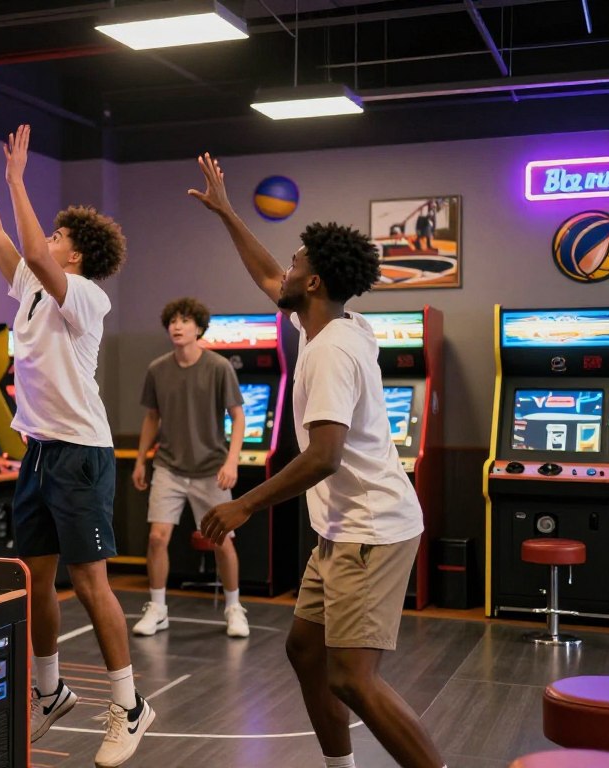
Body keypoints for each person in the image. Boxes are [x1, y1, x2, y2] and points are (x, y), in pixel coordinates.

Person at [187, 153, 446, 768]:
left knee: (353, 679)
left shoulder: (331, 351)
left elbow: (326, 456)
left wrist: (243, 504)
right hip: (341, 530)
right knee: (306, 651)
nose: (286, 269)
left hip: (371, 531)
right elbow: (266, 273)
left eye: (298, 263)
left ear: (313, 286)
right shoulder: (328, 323)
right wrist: (227, 213)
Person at [0, 118, 153, 767]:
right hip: (40, 452)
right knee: (36, 581)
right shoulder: (33, 289)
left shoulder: (84, 296)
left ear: (76, 254)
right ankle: (51, 692)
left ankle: (130, 706)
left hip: (81, 455)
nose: (49, 240)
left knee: (91, 584)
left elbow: (30, 247)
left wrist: (16, 177)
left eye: (59, 236)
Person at [131, 297, 248, 639]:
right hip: (168, 466)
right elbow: (152, 417)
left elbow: (238, 416)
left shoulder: (218, 367)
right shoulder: (157, 369)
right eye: (172, 321)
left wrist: (231, 461)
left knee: (221, 541)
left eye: (184, 321)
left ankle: (233, 607)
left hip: (211, 468)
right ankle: (157, 608)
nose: (177, 326)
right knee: (156, 538)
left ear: (199, 328)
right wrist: (141, 460)